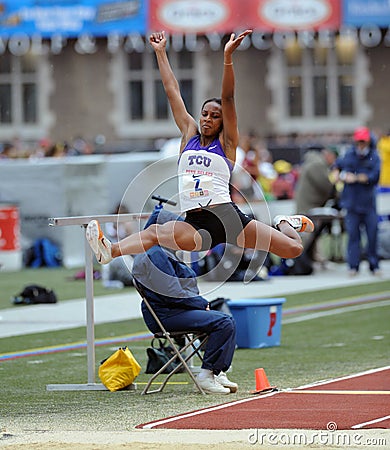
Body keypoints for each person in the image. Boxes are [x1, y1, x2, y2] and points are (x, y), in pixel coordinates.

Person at [86, 30, 314, 273]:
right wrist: (161, 52)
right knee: (154, 233)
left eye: (215, 116)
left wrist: (227, 57)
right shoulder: (189, 136)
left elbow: (228, 98)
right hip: (195, 223)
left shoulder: (226, 144)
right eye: (204, 113)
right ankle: (110, 251)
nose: (207, 119)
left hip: (228, 218)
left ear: (222, 122)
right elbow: (172, 91)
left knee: (293, 249)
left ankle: (285, 222)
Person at [132, 208, 237, 394]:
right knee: (223, 322)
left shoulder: (158, 251)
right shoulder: (155, 254)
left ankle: (217, 372)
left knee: (221, 318)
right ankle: (207, 375)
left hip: (173, 310)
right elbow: (172, 292)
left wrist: (199, 303)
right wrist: (200, 303)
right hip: (167, 315)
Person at [333, 127, 381, 276]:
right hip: (351, 203)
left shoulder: (374, 156)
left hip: (368, 204)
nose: (360, 145)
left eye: (363, 142)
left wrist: (355, 178)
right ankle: (353, 266)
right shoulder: (349, 154)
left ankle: (374, 265)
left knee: (372, 235)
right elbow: (337, 166)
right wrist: (337, 174)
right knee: (353, 236)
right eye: (358, 141)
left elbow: (373, 177)